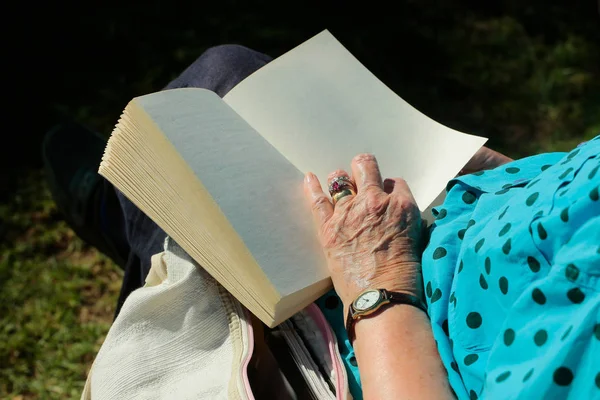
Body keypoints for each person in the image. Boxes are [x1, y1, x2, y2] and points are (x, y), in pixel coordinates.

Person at [44, 44, 599, 399]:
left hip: (382, 317)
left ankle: (130, 223)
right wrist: (499, 171)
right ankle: (133, 216)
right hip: (422, 205)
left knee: (193, 168)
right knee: (227, 75)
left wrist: (376, 284)